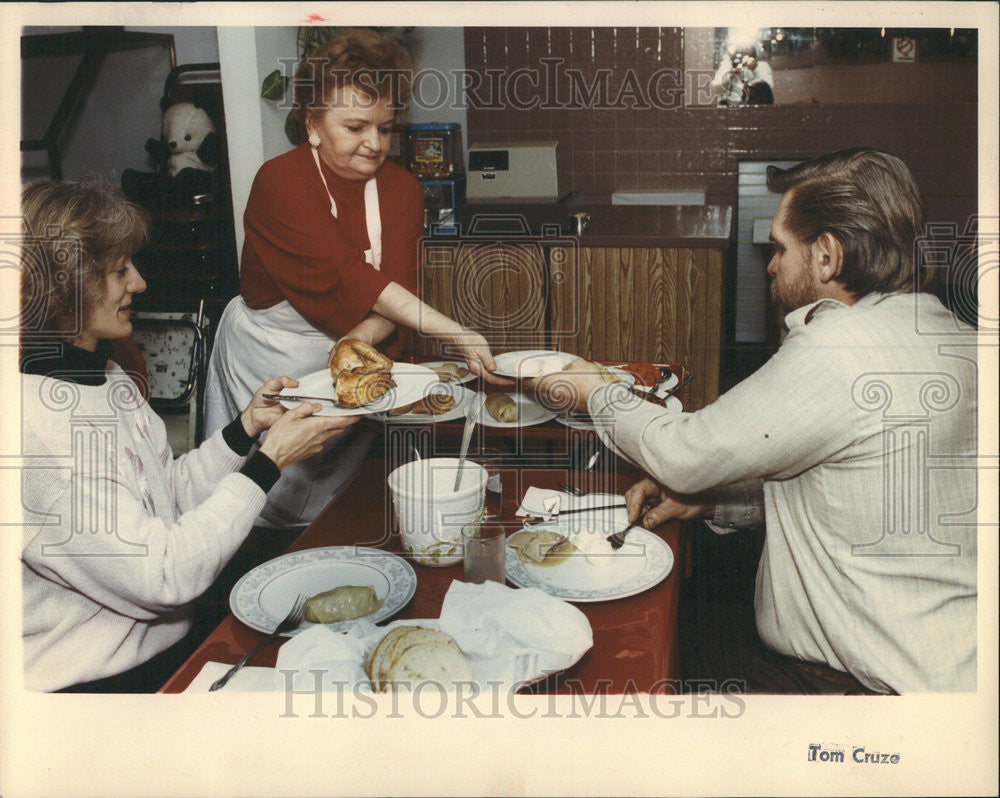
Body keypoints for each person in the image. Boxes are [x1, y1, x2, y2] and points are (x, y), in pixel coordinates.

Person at [531, 149, 977, 694]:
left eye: (780, 248)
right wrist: (717, 504)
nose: (770, 265)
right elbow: (855, 494)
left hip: (860, 692)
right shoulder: (943, 327)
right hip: (949, 673)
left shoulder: (840, 346)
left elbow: (684, 454)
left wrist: (594, 390)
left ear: (827, 256)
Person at [19, 177, 357, 692]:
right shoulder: (34, 431)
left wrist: (246, 430)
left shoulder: (106, 377)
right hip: (101, 689)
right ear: (66, 285)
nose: (139, 284)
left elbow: (164, 497)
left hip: (169, 646)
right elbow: (166, 575)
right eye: (119, 271)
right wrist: (268, 465)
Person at [205, 28, 505, 527]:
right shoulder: (280, 182)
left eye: (385, 128)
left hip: (355, 354)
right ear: (312, 125)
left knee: (341, 511)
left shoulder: (403, 189)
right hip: (270, 361)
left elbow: (395, 289)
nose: (374, 144)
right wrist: (455, 331)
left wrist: (355, 347)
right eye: (355, 127)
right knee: (252, 508)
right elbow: (351, 277)